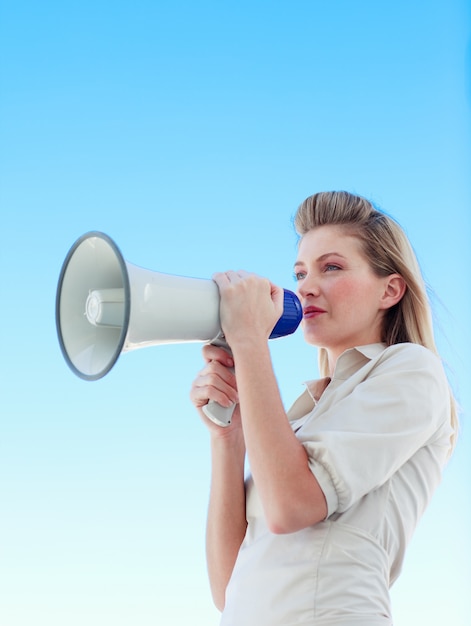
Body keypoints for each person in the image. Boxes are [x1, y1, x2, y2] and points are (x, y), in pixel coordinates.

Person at [190, 191, 458, 625]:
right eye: (300, 272)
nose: (305, 286)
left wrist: (250, 342)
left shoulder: (413, 370)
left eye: (330, 267)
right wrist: (229, 438)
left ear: (390, 290)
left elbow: (290, 506)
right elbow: (228, 589)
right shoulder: (298, 417)